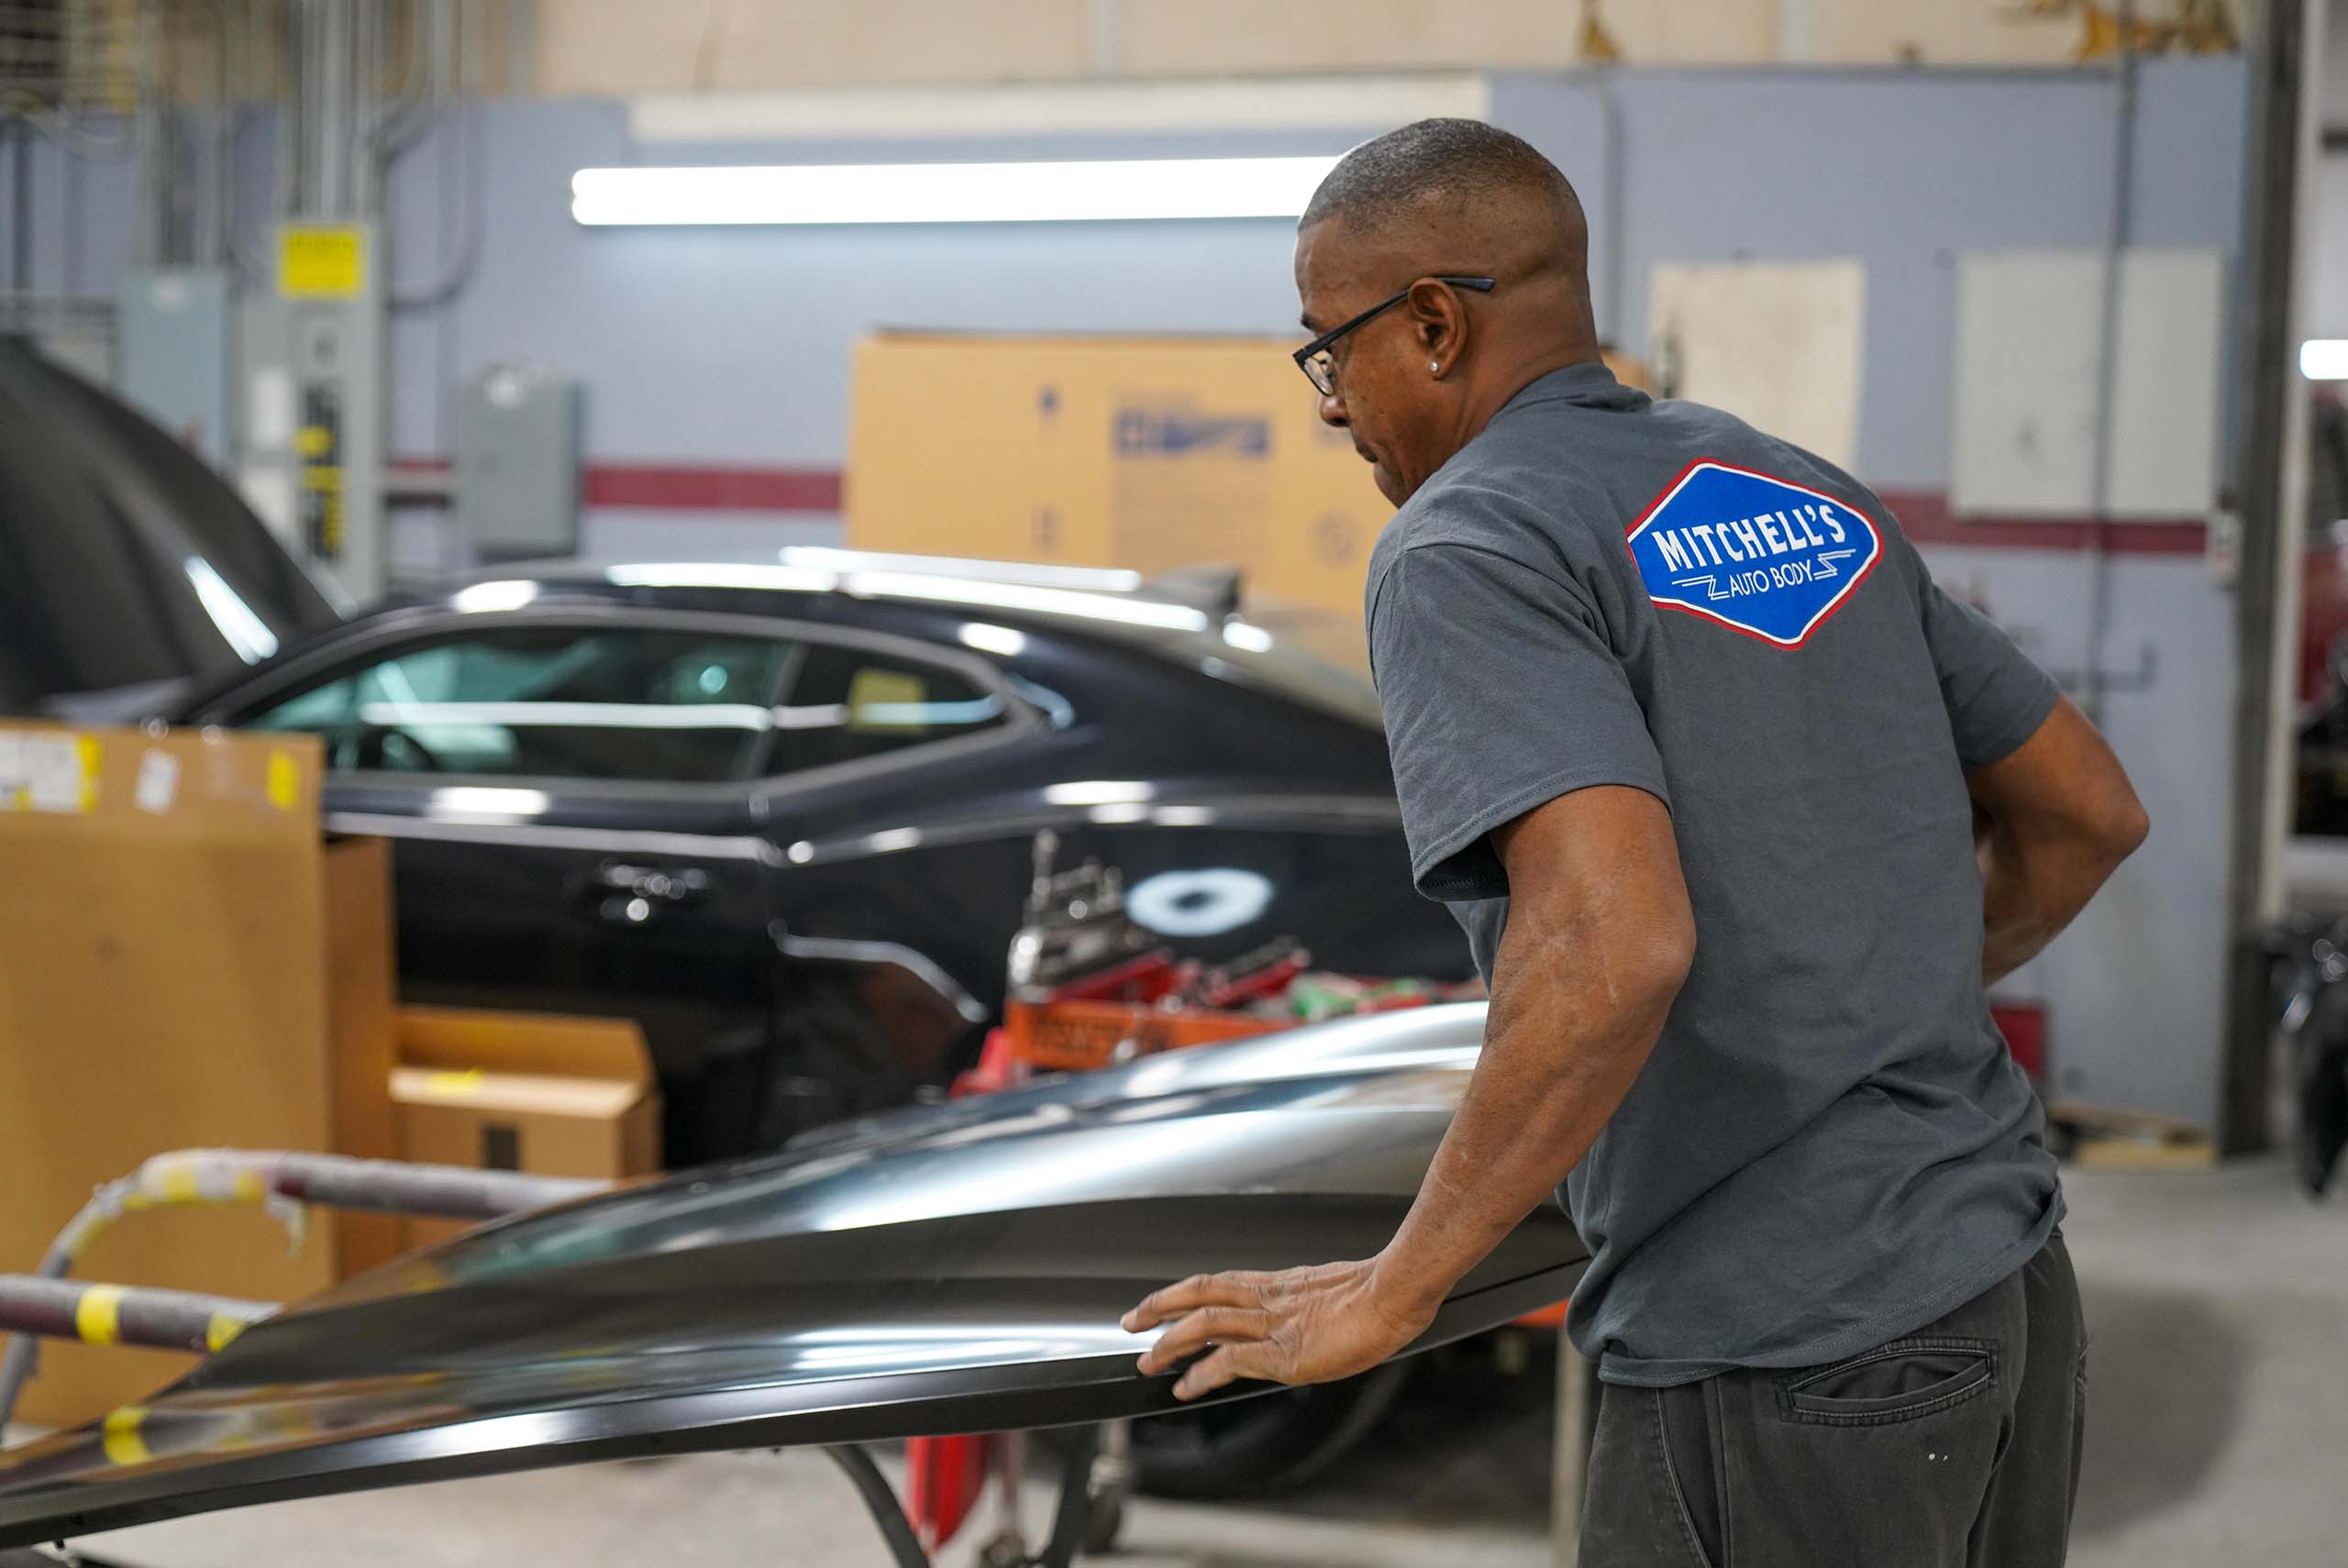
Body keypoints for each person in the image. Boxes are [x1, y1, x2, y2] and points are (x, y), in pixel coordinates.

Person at [1121, 118, 2148, 1565]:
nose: (1332, 406)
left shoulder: (1465, 543)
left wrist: (1395, 1289)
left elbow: (1611, 944)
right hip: (2004, 1282)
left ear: (1431, 325)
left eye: (1328, 348)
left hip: (1786, 1345)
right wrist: (1868, 1002)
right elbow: (2088, 808)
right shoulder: (1799, 490)